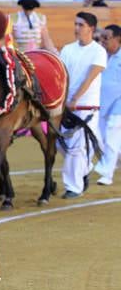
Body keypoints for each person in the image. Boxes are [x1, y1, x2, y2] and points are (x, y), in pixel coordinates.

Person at [58, 12, 106, 198]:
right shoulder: (68, 49)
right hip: (67, 106)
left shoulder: (98, 51)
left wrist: (75, 99)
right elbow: (62, 76)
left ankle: (74, 187)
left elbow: (90, 77)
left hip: (86, 106)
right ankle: (85, 167)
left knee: (76, 148)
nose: (77, 28)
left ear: (91, 29)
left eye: (81, 25)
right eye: (76, 24)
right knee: (60, 144)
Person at [94, 24, 121, 185]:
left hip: (119, 103)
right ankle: (113, 160)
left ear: (118, 40)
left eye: (106, 38)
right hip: (102, 103)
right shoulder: (100, 55)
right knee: (100, 137)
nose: (102, 41)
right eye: (101, 37)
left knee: (111, 134)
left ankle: (107, 173)